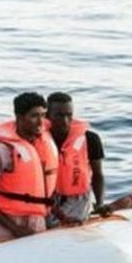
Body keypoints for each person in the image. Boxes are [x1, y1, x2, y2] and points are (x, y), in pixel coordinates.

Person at [0, 92, 59, 242]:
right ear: (19, 117)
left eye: (43, 115)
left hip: (37, 221)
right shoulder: (1, 149)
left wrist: (61, 215)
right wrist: (14, 228)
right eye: (34, 116)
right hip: (8, 225)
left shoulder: (41, 144)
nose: (41, 122)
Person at [47, 92, 113, 225]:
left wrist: (100, 203)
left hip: (77, 198)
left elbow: (98, 175)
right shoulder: (39, 140)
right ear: (47, 115)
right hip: (47, 198)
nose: (65, 120)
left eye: (69, 115)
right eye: (59, 115)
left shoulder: (90, 139)